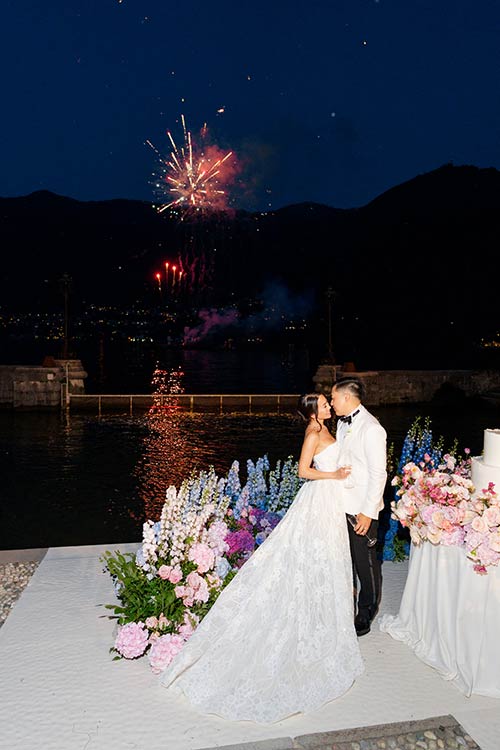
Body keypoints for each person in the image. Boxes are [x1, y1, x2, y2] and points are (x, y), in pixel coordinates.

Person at [159, 393, 363, 722]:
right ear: (313, 410)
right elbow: (302, 471)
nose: (328, 406)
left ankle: (326, 618)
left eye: (328, 402)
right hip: (320, 499)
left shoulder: (326, 427)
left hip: (330, 502)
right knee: (314, 555)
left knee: (327, 558)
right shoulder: (313, 432)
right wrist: (335, 476)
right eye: (324, 403)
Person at [330, 376, 387, 637]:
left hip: (361, 509)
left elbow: (379, 474)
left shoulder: (372, 428)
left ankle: (366, 612)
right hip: (340, 503)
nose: (331, 403)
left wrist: (368, 512)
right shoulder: (341, 424)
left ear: (346, 398)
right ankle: (345, 608)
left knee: (366, 563)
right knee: (345, 560)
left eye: (333, 398)